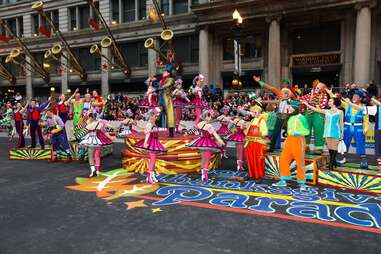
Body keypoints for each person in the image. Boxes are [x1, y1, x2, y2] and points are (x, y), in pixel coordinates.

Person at [273, 104, 310, 190]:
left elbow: (307, 131)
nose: (288, 108)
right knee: (283, 159)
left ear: (295, 108)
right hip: (289, 140)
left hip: (298, 140)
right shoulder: (290, 118)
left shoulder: (302, 117)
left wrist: (298, 132)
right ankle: (283, 179)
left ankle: (302, 183)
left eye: (290, 107)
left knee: (299, 162)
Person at [303, 96, 344, 169]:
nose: (329, 102)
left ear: (334, 103)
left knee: (334, 148)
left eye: (330, 101)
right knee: (330, 148)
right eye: (329, 101)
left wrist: (342, 133)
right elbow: (315, 109)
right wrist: (307, 104)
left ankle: (331, 164)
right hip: (327, 132)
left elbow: (341, 123)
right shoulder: (326, 111)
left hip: (335, 131)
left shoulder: (340, 112)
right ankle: (333, 162)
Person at [187, 110, 225, 181]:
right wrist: (221, 142)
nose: (211, 118)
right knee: (207, 158)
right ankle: (204, 175)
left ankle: (203, 173)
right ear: (207, 117)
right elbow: (215, 135)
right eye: (210, 116)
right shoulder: (209, 126)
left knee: (203, 158)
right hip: (207, 143)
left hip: (201, 142)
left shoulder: (200, 124)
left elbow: (192, 131)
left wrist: (192, 133)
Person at [133, 108, 166, 183]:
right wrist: (145, 142)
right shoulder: (149, 124)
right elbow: (147, 134)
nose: (156, 118)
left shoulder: (153, 124)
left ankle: (152, 175)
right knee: (152, 160)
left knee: (154, 160)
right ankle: (149, 176)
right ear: (151, 116)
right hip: (151, 143)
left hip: (154, 141)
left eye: (157, 116)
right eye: (155, 116)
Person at [299, 81, 329, 154]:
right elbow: (303, 98)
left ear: (323, 89)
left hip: (318, 113)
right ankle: (305, 146)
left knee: (319, 128)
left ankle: (319, 147)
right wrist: (297, 98)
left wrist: (312, 105)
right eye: (316, 87)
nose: (316, 88)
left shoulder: (324, 95)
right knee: (306, 128)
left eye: (318, 87)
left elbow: (323, 105)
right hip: (308, 113)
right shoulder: (311, 93)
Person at [244, 105, 268, 181]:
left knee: (258, 159)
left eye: (255, 111)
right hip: (250, 144)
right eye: (253, 112)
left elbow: (265, 133)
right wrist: (244, 129)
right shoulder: (252, 120)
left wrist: (258, 135)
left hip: (258, 144)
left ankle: (258, 176)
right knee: (250, 159)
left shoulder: (262, 120)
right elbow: (248, 132)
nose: (254, 113)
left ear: (259, 112)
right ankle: (251, 174)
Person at [158, 64, 176, 137]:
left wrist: (161, 87)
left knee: (170, 115)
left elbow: (168, 84)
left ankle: (171, 133)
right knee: (156, 114)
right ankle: (153, 131)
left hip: (167, 99)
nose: (163, 73)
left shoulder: (170, 79)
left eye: (164, 71)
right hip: (161, 99)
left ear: (168, 73)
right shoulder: (162, 80)